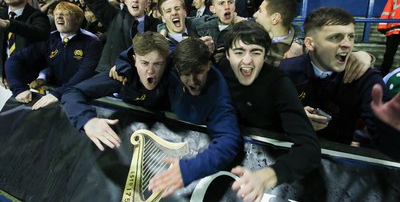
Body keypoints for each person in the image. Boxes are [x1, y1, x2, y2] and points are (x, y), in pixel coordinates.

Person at [218, 21, 320, 202]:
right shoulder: (220, 71)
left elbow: (309, 148)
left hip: (270, 166)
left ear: (265, 56)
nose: (247, 60)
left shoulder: (279, 84)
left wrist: (267, 176)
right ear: (227, 55)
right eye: (239, 52)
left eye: (255, 52)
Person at [279, 7, 389, 146]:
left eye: (351, 36)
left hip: (339, 160)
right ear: (310, 43)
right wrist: (289, 118)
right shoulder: (285, 71)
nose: (347, 44)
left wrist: (391, 128)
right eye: (335, 37)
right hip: (288, 151)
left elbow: (385, 136)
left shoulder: (365, 78)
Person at [148, 38, 241, 197]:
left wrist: (189, 170)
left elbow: (229, 141)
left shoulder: (218, 96)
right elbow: (143, 50)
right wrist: (123, 65)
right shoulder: (170, 60)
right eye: (186, 74)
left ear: (208, 66)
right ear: (176, 68)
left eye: (199, 72)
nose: (193, 81)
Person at [61, 31, 170, 151]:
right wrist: (87, 120)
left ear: (166, 62)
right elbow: (72, 93)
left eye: (157, 64)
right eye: (144, 63)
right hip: (133, 138)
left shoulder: (177, 73)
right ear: (134, 59)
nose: (150, 71)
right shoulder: (122, 75)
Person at [5, 2, 101, 110]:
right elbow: (15, 59)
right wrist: (18, 89)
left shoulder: (91, 42)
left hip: (80, 98)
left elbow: (85, 73)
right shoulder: (49, 39)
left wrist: (58, 93)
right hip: (53, 96)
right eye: (56, 14)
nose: (59, 16)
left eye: (65, 14)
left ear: (78, 19)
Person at [0, 0, 50, 89]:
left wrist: (9, 24)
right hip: (5, 80)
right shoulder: (1, 14)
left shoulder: (37, 16)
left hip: (30, 81)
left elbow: (39, 33)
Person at [377, 0, 400, 76]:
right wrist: (382, 27)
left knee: (389, 55)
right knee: (389, 55)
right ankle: (383, 74)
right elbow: (387, 11)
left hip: (393, 29)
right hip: (393, 30)